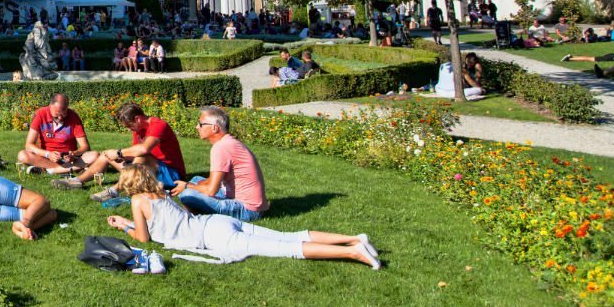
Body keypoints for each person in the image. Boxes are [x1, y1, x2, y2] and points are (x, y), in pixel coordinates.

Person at [106, 159, 379, 267]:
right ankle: (353, 238)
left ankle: (353, 252)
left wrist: (124, 226)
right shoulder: (161, 193)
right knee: (288, 236)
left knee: (288, 248)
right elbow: (159, 224)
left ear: (130, 184)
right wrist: (129, 222)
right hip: (215, 222)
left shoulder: (138, 201)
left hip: (212, 237)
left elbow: (144, 238)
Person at [55, 101, 189, 196]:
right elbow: (134, 151)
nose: (129, 129)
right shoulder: (138, 129)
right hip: (150, 170)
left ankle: (115, 190)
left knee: (142, 155)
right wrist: (120, 156)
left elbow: (143, 150)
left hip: (172, 175)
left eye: (129, 126)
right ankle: (78, 181)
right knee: (105, 155)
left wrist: (119, 152)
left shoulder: (158, 125)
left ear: (137, 119)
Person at [168, 106, 270, 220]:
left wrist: (187, 186)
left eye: (201, 124)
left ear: (215, 128)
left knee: (186, 193)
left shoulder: (221, 147)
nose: (197, 127)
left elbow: (211, 190)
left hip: (247, 210)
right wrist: (193, 185)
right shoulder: (227, 142)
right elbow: (212, 182)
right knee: (197, 180)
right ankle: (193, 215)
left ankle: (191, 219)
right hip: (243, 201)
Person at [19, 93, 97, 174]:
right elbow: (29, 145)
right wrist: (47, 154)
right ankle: (73, 169)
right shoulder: (40, 114)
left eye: (63, 115)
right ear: (50, 106)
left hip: (69, 159)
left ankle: (49, 170)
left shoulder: (73, 116)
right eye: (56, 116)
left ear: (67, 108)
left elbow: (85, 147)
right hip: (45, 158)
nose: (60, 118)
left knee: (95, 155)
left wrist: (74, 154)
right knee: (22, 155)